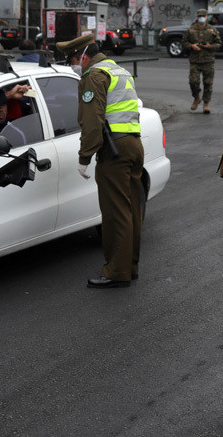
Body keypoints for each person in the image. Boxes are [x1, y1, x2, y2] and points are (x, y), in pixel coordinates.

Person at [57, 34, 144, 289]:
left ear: (83, 56)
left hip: (114, 150)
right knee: (131, 210)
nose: (74, 65)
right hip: (133, 144)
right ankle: (130, 267)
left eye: (73, 60)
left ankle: (116, 272)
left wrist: (85, 157)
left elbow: (92, 122)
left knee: (115, 213)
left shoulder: (93, 76)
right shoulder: (119, 70)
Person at [183, 8, 222, 114]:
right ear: (197, 17)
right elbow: (184, 43)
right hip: (195, 61)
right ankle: (196, 97)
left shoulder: (212, 29)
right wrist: (192, 46)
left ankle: (206, 103)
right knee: (193, 82)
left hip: (208, 61)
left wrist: (210, 46)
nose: (201, 18)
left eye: (203, 16)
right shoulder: (191, 30)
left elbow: (219, 44)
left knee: (208, 83)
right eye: (199, 16)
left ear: (206, 17)